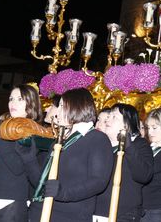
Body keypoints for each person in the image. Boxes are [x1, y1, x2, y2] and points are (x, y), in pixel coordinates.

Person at [25, 88, 113, 222]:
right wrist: (29, 160)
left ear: (76, 106)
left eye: (61, 106)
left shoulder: (97, 139)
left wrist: (63, 193)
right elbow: (42, 183)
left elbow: (98, 181)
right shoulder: (60, 140)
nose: (57, 112)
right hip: (39, 211)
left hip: (69, 215)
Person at [0, 84, 42, 221]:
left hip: (10, 203)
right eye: (11, 98)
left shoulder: (33, 131)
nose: (13, 103)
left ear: (31, 104)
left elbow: (17, 168)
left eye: (19, 99)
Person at [95, 103, 154, 221]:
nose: (108, 120)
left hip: (123, 214)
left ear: (127, 124)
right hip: (96, 211)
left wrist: (128, 146)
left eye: (114, 117)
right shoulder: (100, 144)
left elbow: (144, 175)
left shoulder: (139, 145)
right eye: (108, 117)